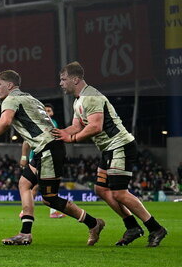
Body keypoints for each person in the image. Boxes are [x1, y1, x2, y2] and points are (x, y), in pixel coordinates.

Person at [0, 70, 104, 245]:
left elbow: (5, 122)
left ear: (9, 85)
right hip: (46, 148)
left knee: (50, 198)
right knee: (24, 184)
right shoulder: (31, 98)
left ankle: (94, 223)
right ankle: (25, 233)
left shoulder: (11, 99)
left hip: (48, 149)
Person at [54, 62, 168, 247]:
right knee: (101, 190)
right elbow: (76, 127)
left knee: (120, 193)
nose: (60, 83)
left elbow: (95, 126)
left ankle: (155, 228)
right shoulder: (78, 100)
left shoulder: (91, 96)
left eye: (63, 79)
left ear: (75, 79)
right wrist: (57, 133)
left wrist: (72, 139)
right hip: (109, 148)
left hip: (120, 144)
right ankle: (132, 227)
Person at [21, 104, 65, 219]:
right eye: (45, 111)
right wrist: (24, 157)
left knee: (37, 186)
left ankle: (27, 211)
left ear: (52, 113)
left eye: (49, 110)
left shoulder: (52, 123)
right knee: (37, 186)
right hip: (39, 157)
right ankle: (27, 211)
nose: (47, 112)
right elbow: (26, 140)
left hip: (44, 157)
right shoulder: (42, 123)